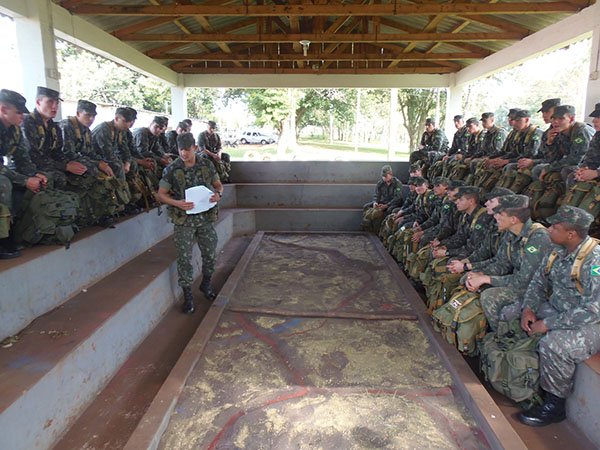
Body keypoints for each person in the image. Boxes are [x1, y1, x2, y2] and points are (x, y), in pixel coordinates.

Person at [518, 206, 600, 427]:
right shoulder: (557, 250)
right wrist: (528, 309)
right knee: (511, 314)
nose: (549, 229)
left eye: (555, 227)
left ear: (571, 234)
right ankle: (521, 381)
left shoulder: (595, 261)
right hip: (559, 309)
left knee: (555, 345)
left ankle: (554, 405)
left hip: (591, 322)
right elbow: (538, 282)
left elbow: (594, 310)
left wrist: (547, 323)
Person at [157, 132, 224, 314]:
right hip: (184, 220)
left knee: (210, 253)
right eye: (180, 150)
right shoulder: (172, 169)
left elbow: (218, 185)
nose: (184, 153)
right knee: (184, 259)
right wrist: (177, 203)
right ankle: (188, 296)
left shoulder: (206, 164)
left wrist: (218, 194)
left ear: (195, 148)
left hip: (204, 218)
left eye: (187, 150)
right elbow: (161, 194)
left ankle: (206, 284)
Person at [467, 194, 551, 330]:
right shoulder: (510, 233)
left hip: (534, 289)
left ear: (513, 219)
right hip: (518, 282)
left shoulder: (537, 238)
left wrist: (487, 279)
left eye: (500, 215)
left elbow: (524, 281)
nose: (496, 217)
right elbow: (502, 264)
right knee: (470, 277)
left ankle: (502, 336)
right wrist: (479, 274)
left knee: (489, 296)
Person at [0, 89, 47, 258]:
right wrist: (25, 180)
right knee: (3, 184)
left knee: (30, 184)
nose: (22, 117)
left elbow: (22, 159)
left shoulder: (14, 130)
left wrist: (34, 175)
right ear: (4, 109)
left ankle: (17, 231)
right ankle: (3, 239)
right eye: (18, 112)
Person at [60, 100, 119, 226]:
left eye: (93, 116)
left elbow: (90, 153)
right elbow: (68, 154)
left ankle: (102, 213)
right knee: (93, 174)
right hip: (66, 166)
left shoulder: (86, 131)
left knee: (106, 171)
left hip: (82, 164)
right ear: (78, 113)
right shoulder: (66, 126)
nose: (91, 118)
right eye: (88, 115)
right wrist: (96, 164)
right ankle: (87, 216)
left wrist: (101, 162)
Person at [361, 164, 403, 233]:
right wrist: (375, 202)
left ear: (391, 174)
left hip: (393, 204)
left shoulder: (397, 183)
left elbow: (397, 198)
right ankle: (368, 227)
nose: (384, 178)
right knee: (366, 206)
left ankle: (382, 230)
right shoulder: (380, 183)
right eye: (383, 176)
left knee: (389, 210)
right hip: (382, 202)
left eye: (386, 176)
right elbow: (376, 195)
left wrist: (386, 205)